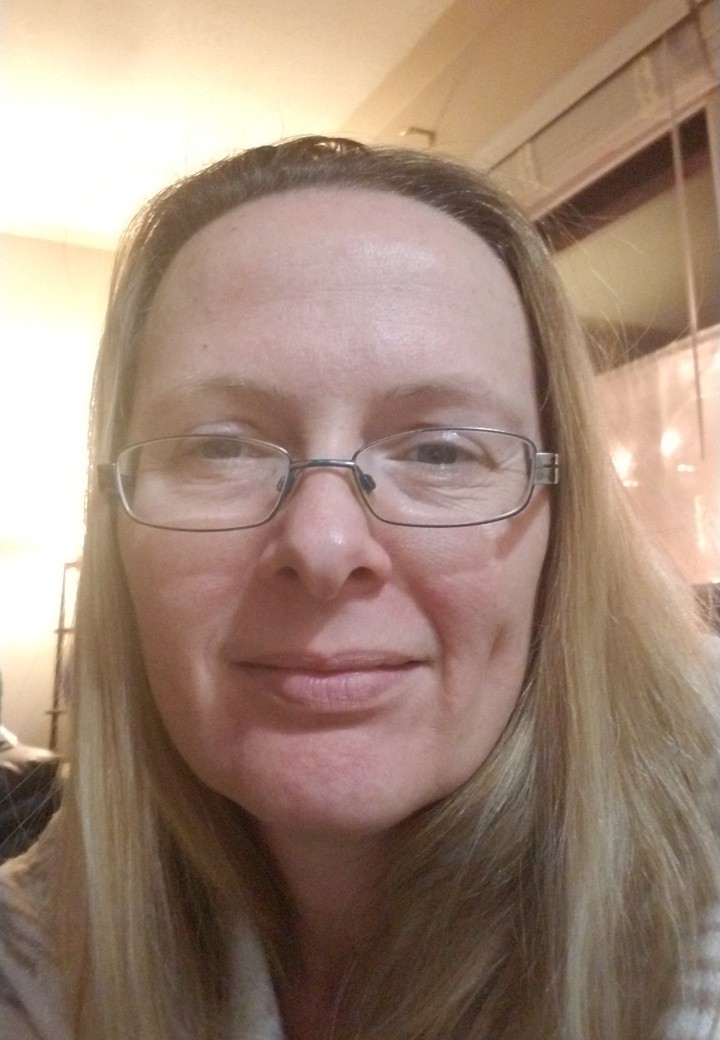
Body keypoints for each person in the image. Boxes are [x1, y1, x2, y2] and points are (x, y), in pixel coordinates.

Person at [1, 136, 718, 1040]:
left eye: (441, 451)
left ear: (560, 526)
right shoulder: (38, 948)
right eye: (220, 448)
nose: (323, 543)